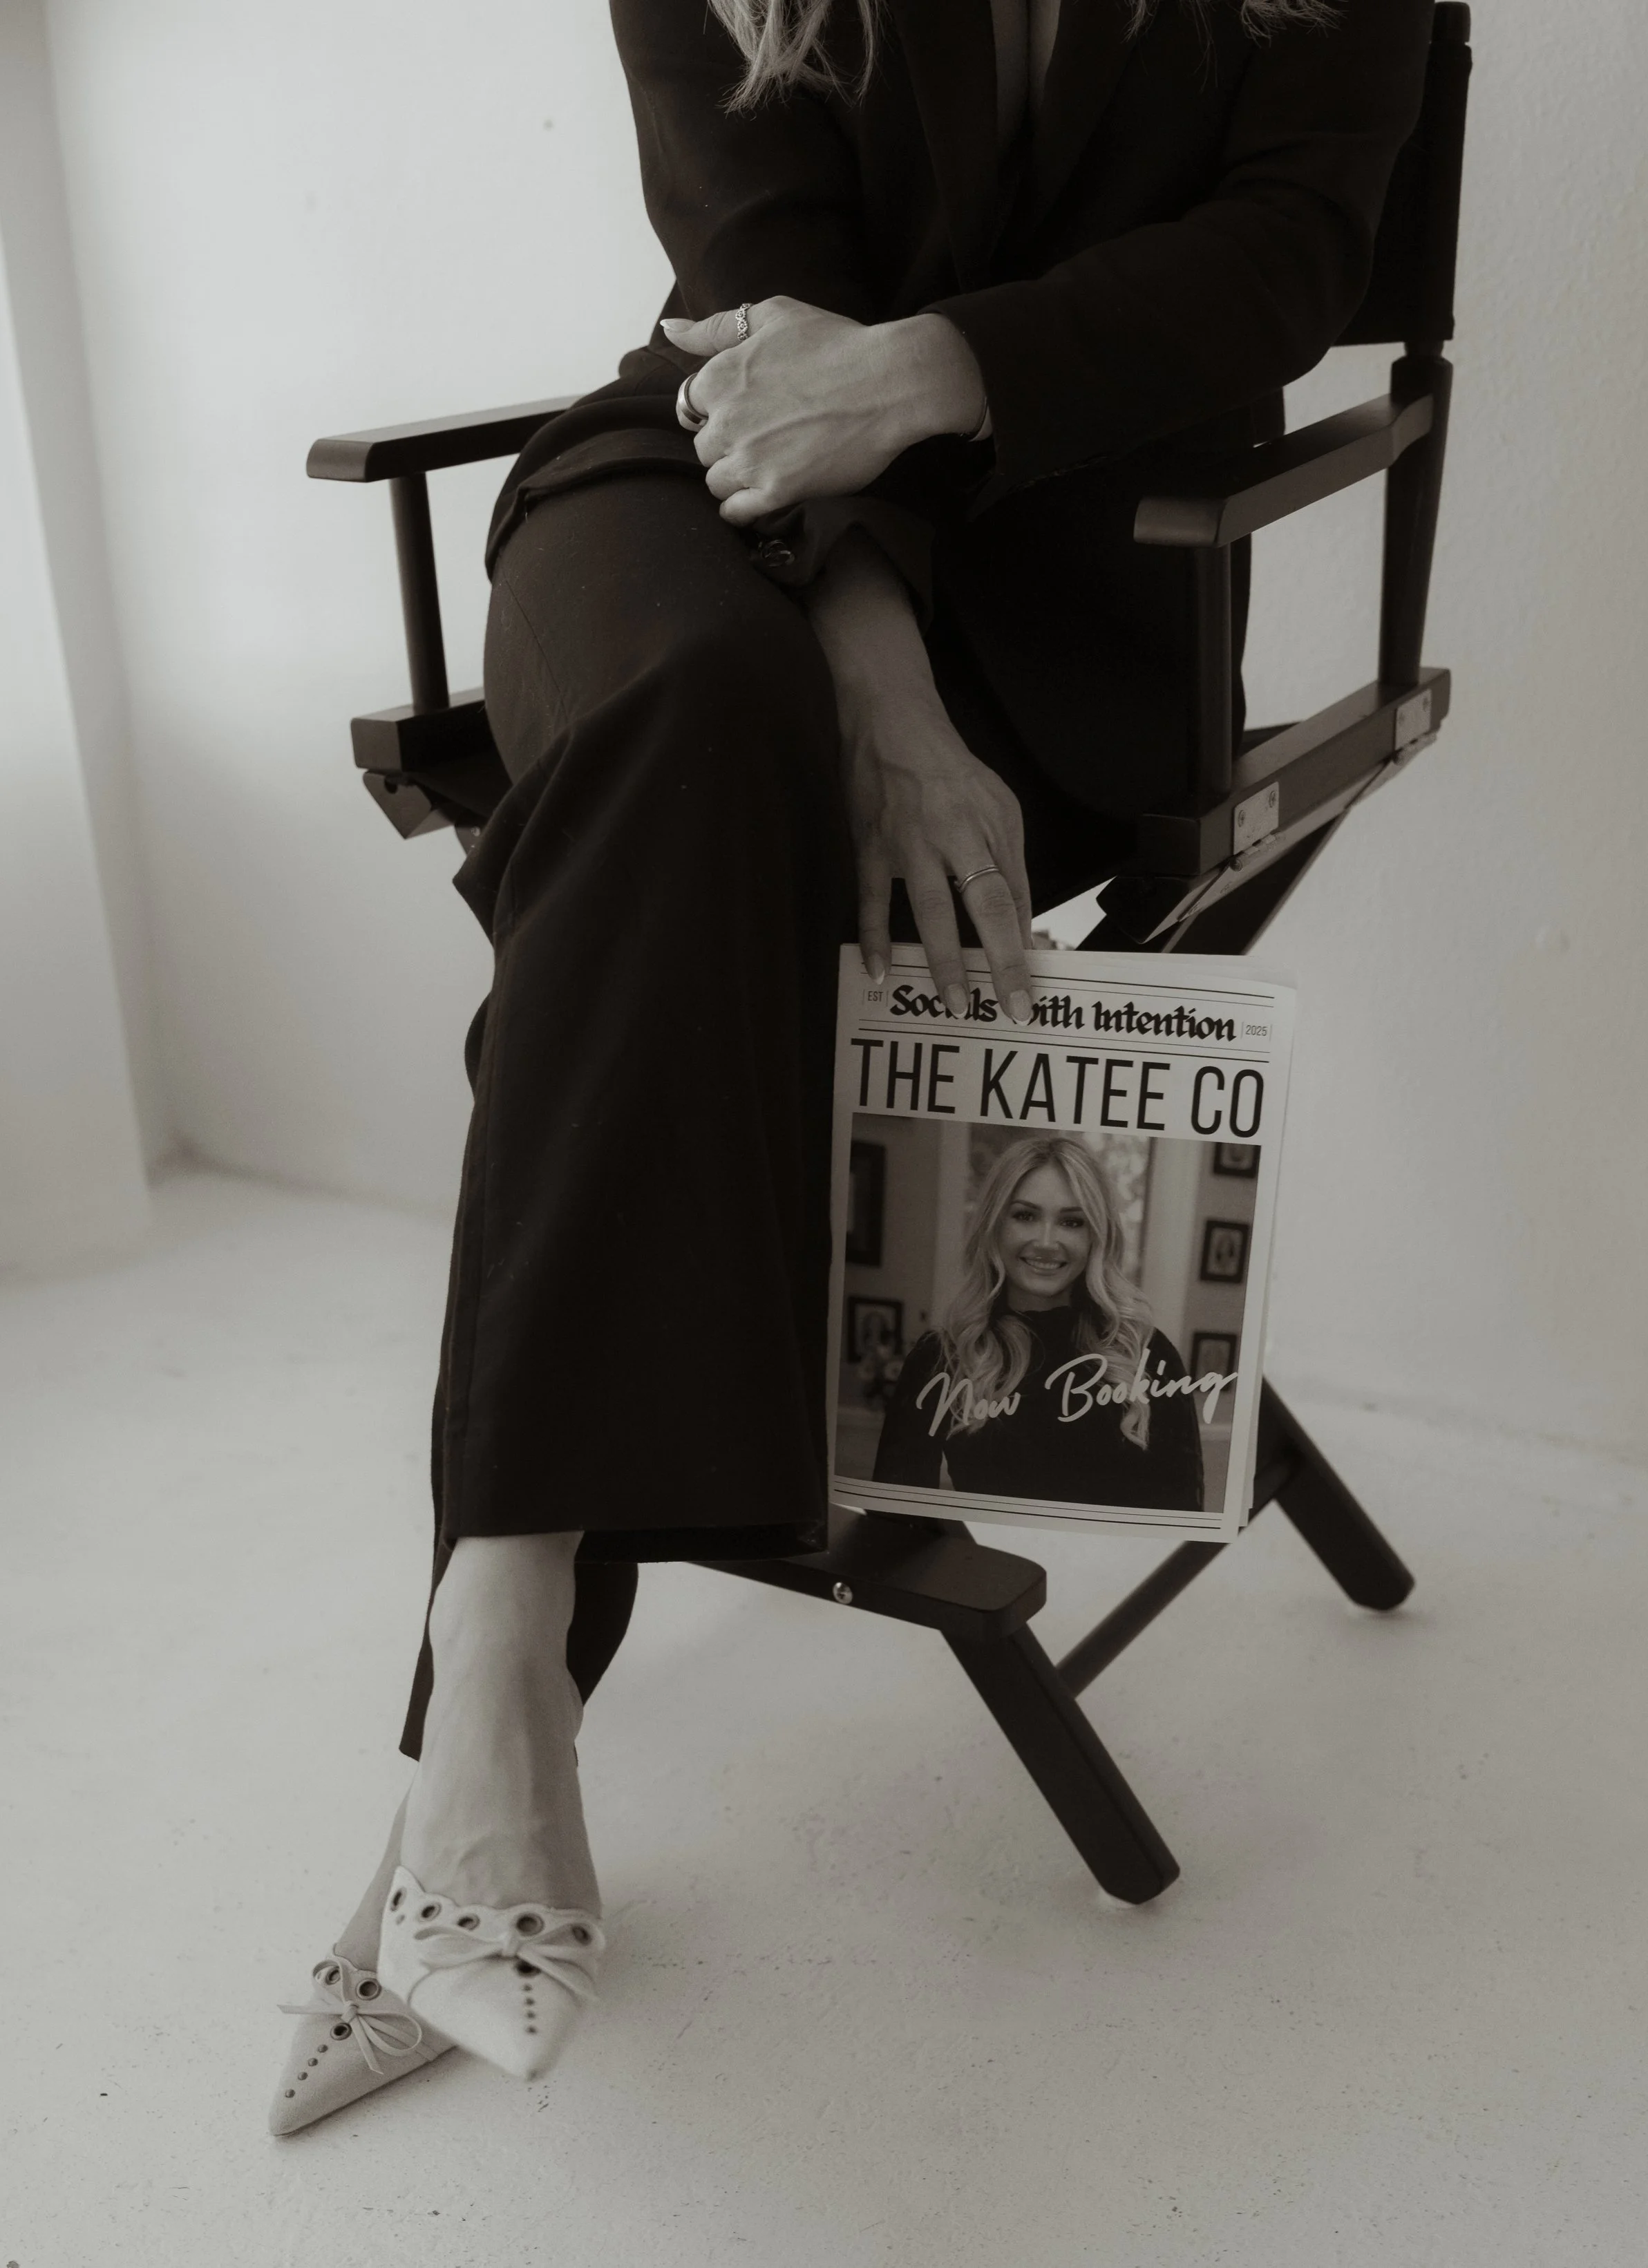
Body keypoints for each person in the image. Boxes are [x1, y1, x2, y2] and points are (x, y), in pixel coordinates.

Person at [269, 0, 1435, 2131]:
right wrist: (873, 689)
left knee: (664, 859)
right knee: (699, 747)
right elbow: (746, 284)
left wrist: (920, 372)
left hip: (1077, 565)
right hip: (693, 485)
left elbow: (1285, 256)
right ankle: (502, 1677)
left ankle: (477, 1691)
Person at [871, 1136, 1204, 1511]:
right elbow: (894, 1519)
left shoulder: (1147, 1354)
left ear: (1096, 1236)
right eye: (1025, 1215)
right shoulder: (941, 1358)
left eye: (1071, 1222)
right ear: (995, 1225)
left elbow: (1182, 1517)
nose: (1047, 1242)